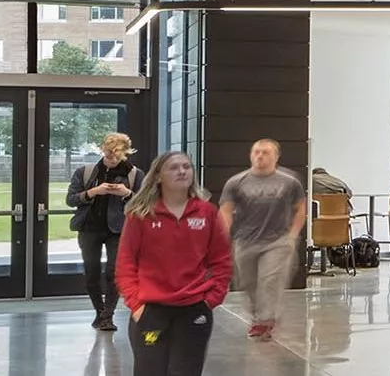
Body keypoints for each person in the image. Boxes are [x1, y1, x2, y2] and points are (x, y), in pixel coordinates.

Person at [117, 151, 231, 376]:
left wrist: (212, 299)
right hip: (150, 311)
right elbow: (125, 262)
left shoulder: (207, 212)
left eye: (186, 166)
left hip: (195, 309)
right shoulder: (140, 214)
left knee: (186, 371)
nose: (182, 171)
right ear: (158, 176)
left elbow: (222, 260)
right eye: (174, 167)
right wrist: (136, 305)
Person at [218, 138, 307, 340]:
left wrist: (292, 235)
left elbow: (301, 208)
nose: (260, 156)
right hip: (245, 240)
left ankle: (265, 320)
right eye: (256, 152)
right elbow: (226, 211)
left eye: (266, 152)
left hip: (277, 241)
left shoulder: (289, 181)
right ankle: (259, 315)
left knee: (269, 279)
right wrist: (222, 237)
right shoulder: (236, 182)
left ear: (276, 157)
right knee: (247, 282)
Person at [66, 132, 144, 331]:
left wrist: (126, 194)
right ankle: (99, 313)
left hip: (118, 230)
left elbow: (144, 204)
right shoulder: (86, 171)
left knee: (114, 273)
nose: (112, 158)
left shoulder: (135, 175)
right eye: (109, 153)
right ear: (103, 149)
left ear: (125, 154)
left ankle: (107, 316)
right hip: (89, 228)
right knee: (91, 273)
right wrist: (93, 192)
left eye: (117, 155)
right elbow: (71, 199)